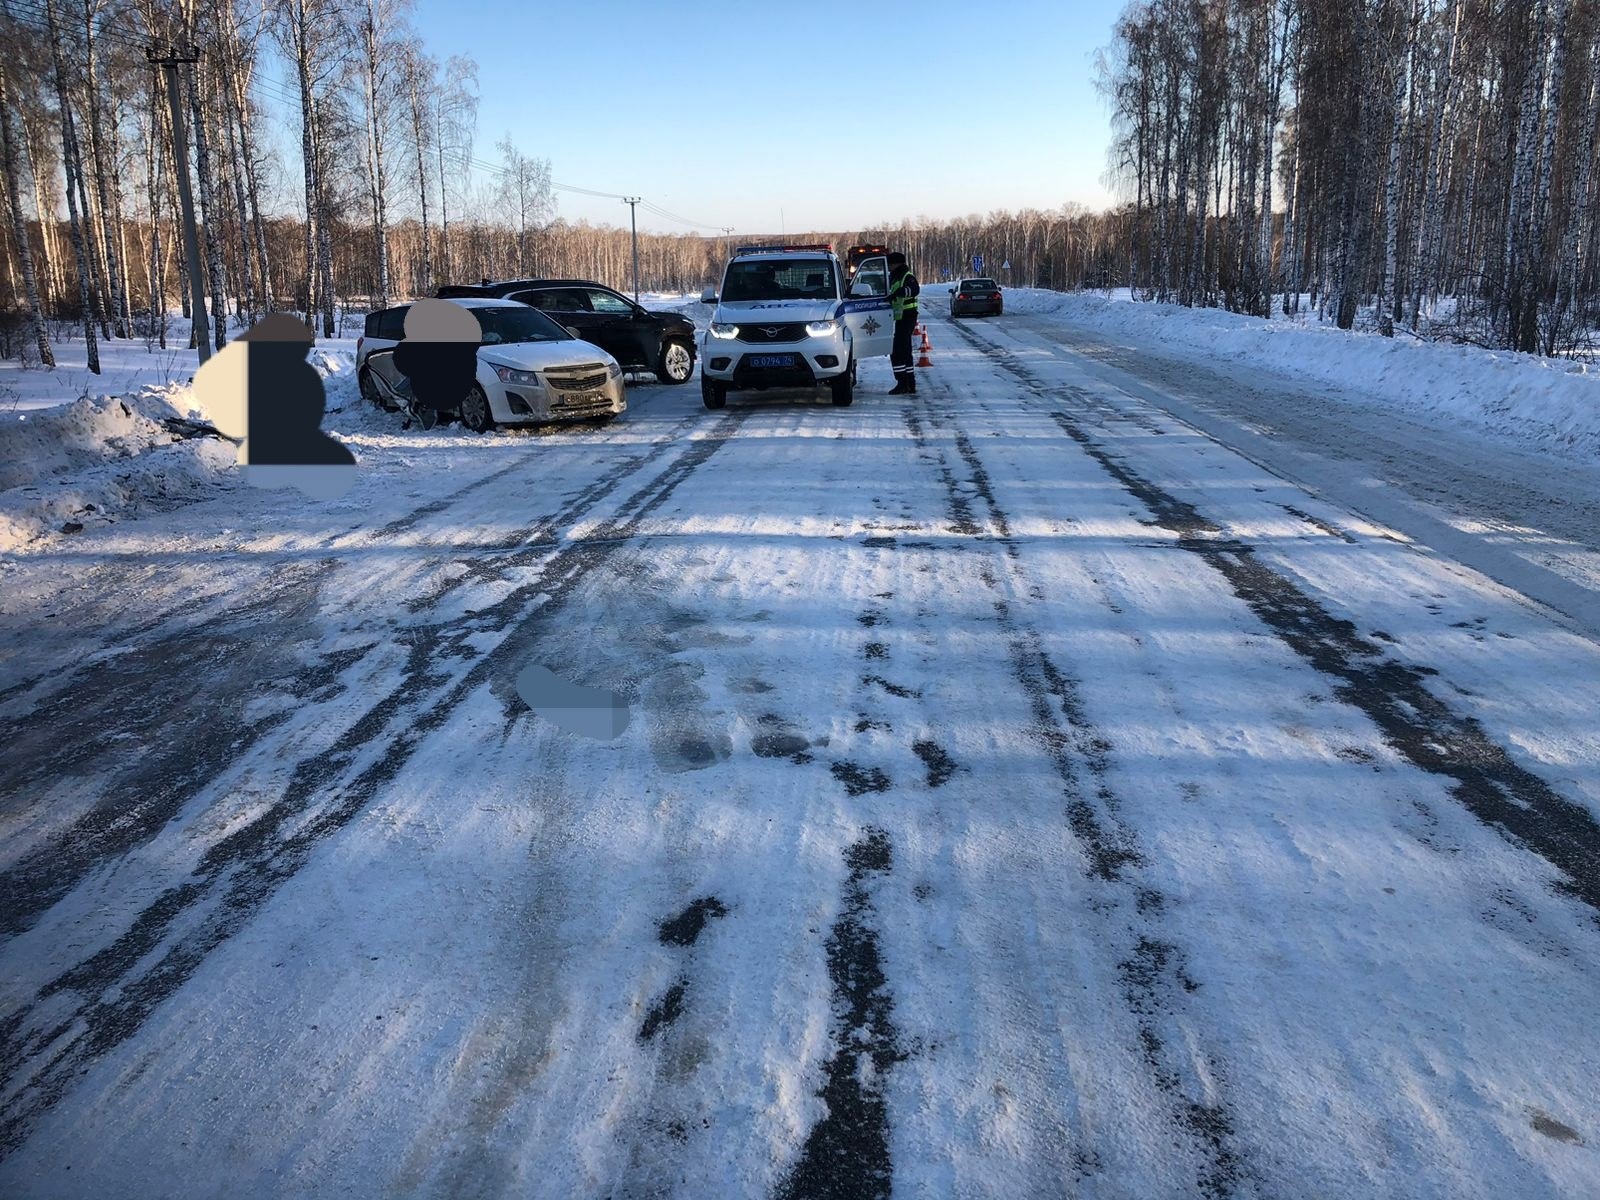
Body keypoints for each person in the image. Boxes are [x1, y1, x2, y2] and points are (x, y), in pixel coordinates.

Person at [887, 252, 920, 394]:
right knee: (905, 351)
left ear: (897, 264)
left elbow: (914, 290)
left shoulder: (907, 277)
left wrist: (901, 292)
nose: (888, 267)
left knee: (897, 351)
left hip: (908, 317)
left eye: (890, 264)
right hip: (901, 318)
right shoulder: (894, 278)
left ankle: (902, 382)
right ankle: (909, 383)